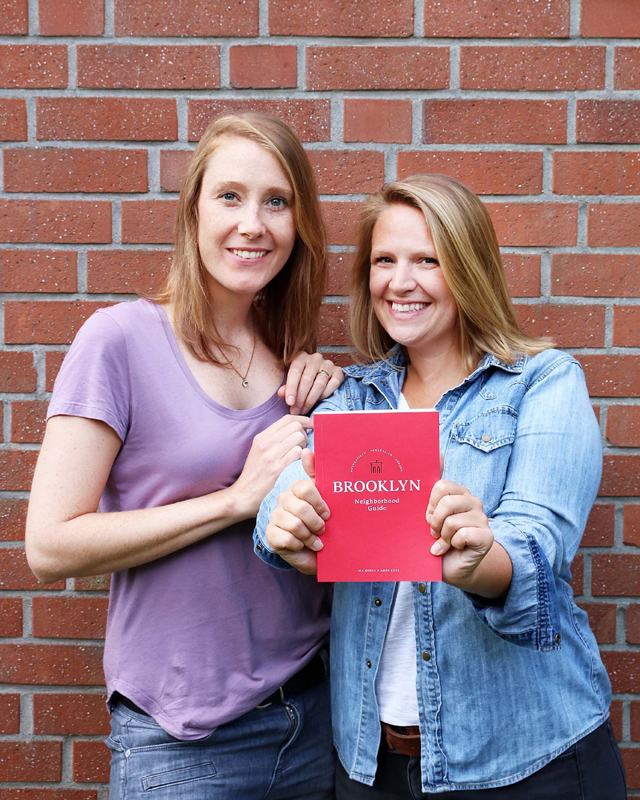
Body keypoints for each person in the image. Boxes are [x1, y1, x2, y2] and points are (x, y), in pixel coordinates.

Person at [254, 174, 627, 798]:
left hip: (528, 759)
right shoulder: (350, 399)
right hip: (373, 764)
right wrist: (287, 524)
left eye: (427, 260)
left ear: (468, 268)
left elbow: (538, 548)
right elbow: (288, 490)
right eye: (384, 261)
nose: (400, 282)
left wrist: (480, 561)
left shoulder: (542, 383)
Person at [25, 112, 342, 799]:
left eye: (277, 201)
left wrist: (340, 401)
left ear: (299, 225)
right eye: (230, 196)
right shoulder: (119, 341)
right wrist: (235, 499)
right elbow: (48, 547)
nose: (253, 224)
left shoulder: (294, 362)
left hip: (312, 721)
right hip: (182, 743)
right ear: (193, 210)